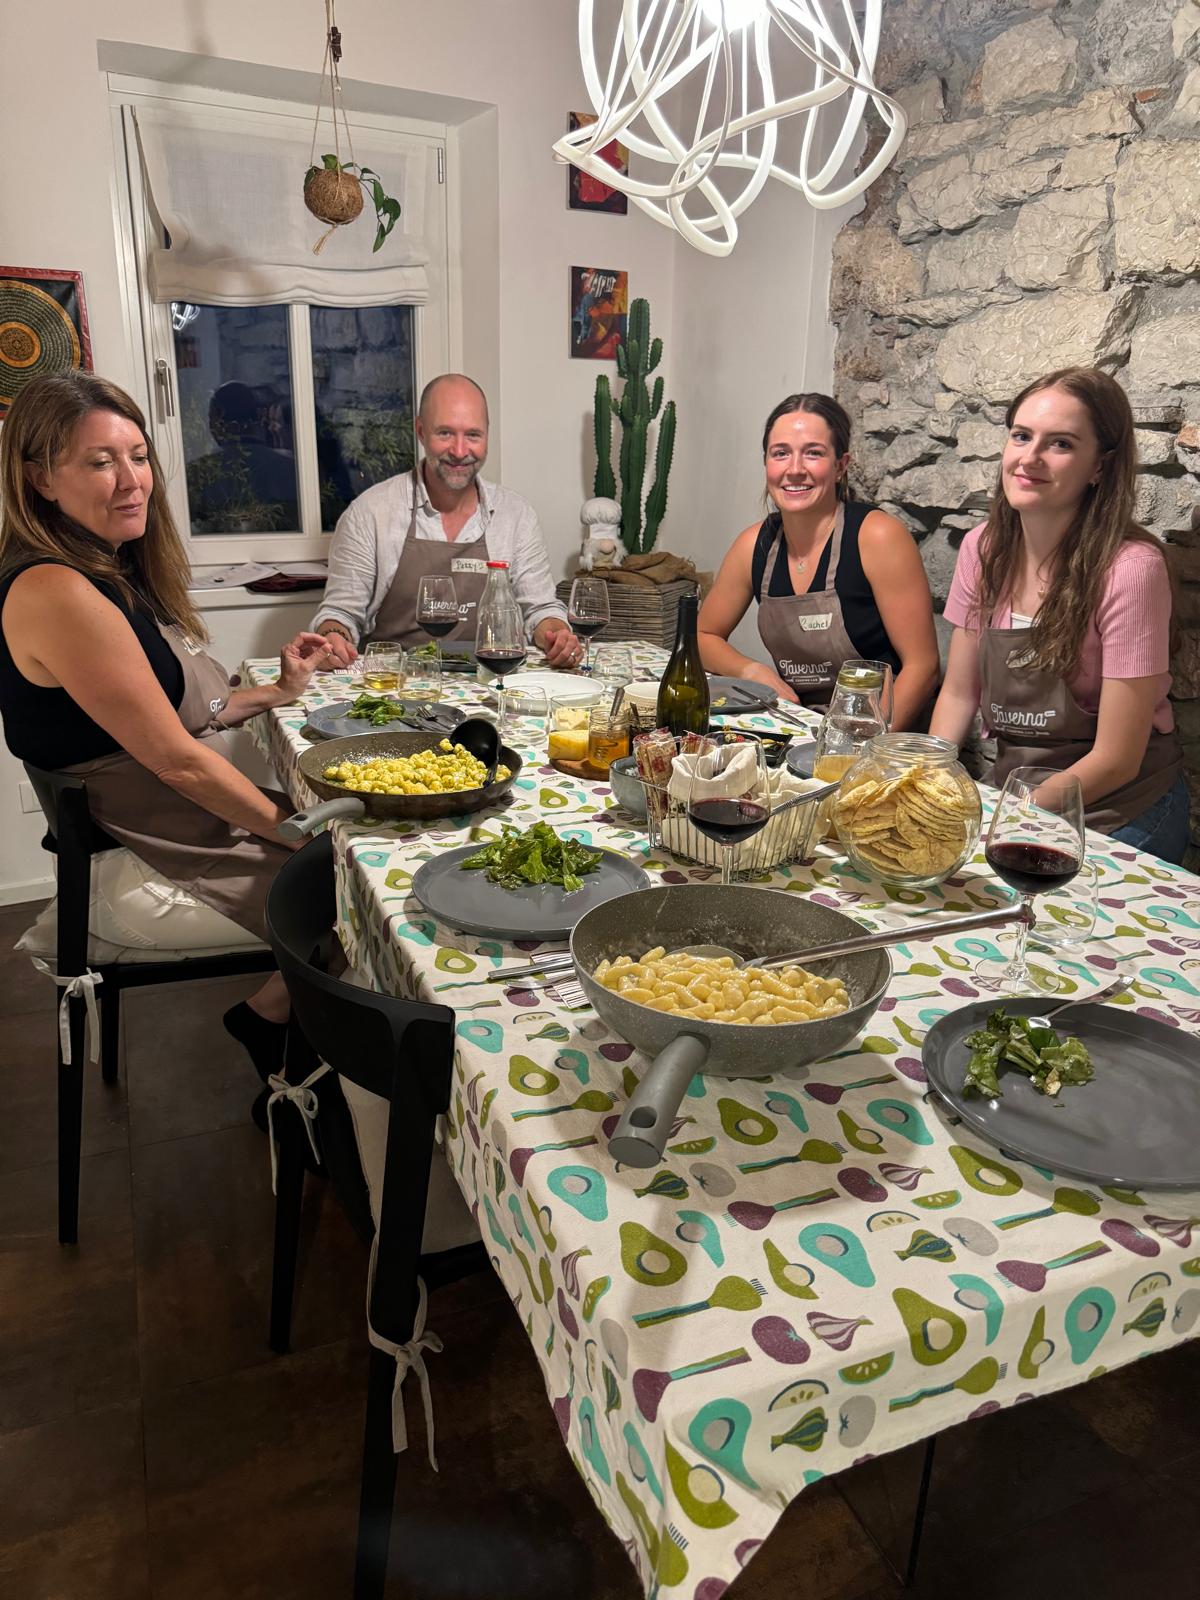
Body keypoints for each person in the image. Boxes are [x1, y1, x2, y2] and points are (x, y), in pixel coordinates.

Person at [0, 372, 337, 1086]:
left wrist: (277, 692)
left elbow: (176, 715)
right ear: (39, 478)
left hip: (172, 825)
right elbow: (177, 760)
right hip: (143, 855)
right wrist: (298, 832)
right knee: (365, 897)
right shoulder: (55, 590)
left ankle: (272, 1017)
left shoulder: (103, 567)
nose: (133, 481)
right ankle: (328, 1095)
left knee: (352, 861)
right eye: (100, 462)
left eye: (139, 456)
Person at [930, 366, 1188, 862]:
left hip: (1118, 808)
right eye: (1021, 436)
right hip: (1017, 794)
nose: (1030, 458)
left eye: (1061, 444)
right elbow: (959, 694)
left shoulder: (1131, 569)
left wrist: (1007, 814)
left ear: (1100, 468)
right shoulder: (982, 549)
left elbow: (1117, 758)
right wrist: (929, 781)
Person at [698, 392, 941, 728]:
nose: (795, 469)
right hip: (800, 725)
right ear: (766, 463)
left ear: (841, 466)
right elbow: (703, 636)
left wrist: (862, 744)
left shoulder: (877, 536)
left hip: (882, 731)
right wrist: (752, 671)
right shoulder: (753, 546)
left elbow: (923, 667)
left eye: (813, 453)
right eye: (781, 453)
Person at [313, 373, 583, 667]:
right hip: (395, 681)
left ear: (487, 435)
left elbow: (540, 609)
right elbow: (341, 614)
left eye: (473, 435)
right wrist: (332, 637)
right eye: (445, 433)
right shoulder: (369, 513)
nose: (459, 451)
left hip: (490, 677)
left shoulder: (516, 515)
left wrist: (557, 635)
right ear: (420, 431)